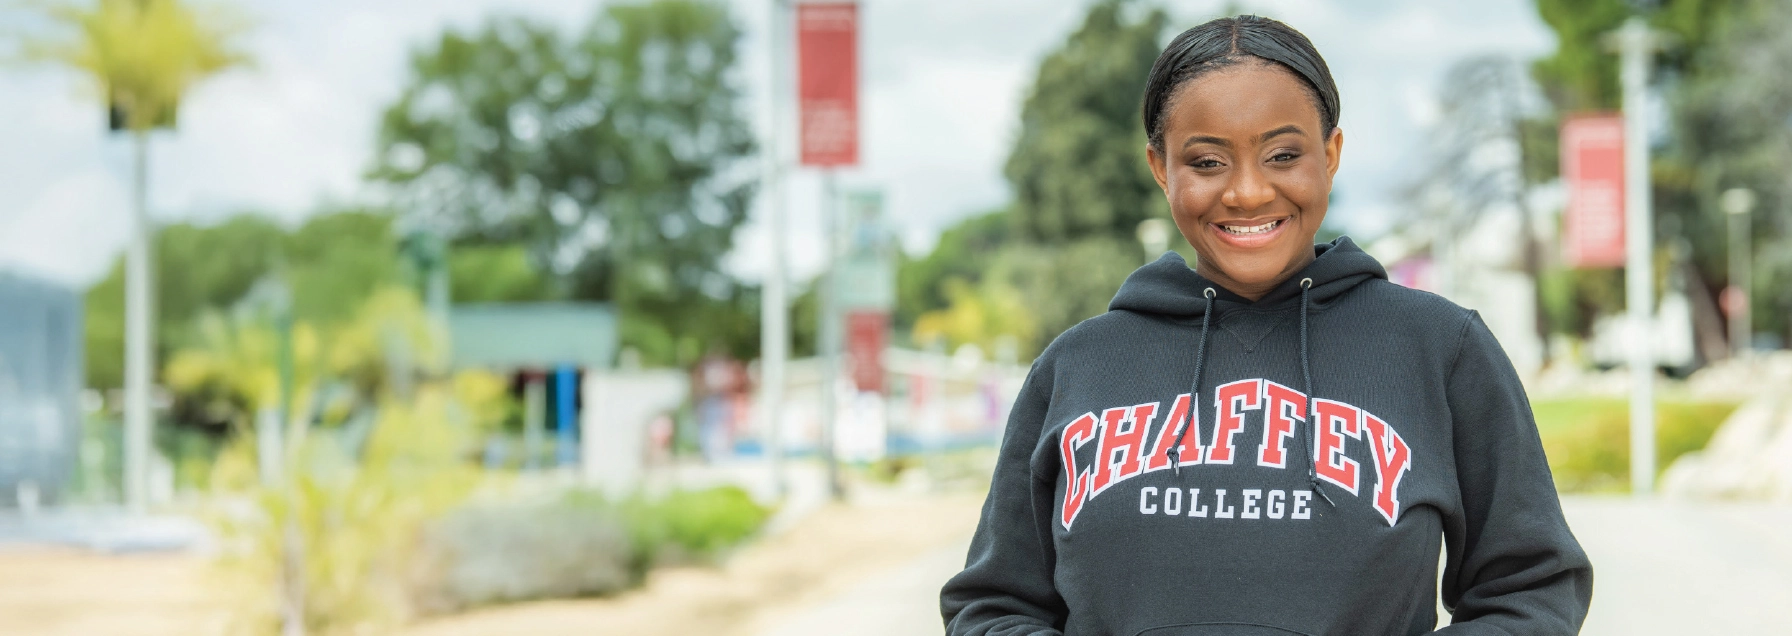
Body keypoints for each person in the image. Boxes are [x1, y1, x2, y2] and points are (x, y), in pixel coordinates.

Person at [939, 15, 1592, 636]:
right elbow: (995, 603)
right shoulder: (1078, 366)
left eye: (1283, 155)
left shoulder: (1440, 350)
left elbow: (1530, 588)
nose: (1248, 192)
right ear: (1160, 168)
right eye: (1206, 162)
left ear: (1331, 154)